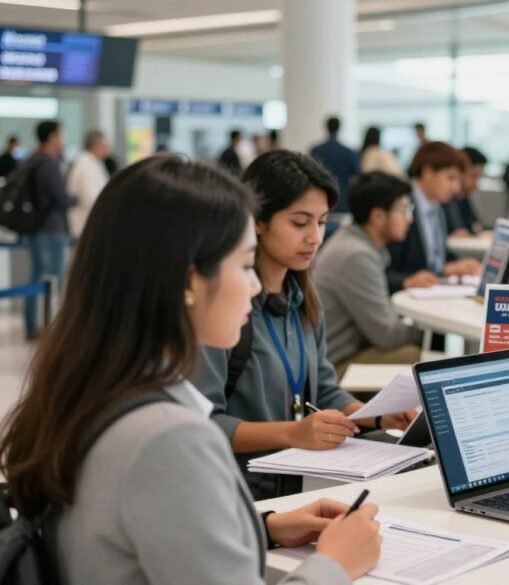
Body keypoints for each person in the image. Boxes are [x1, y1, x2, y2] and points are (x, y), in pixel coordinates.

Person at [0, 156, 382, 584]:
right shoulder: (169, 438)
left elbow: (140, 537)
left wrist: (264, 526)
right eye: (242, 265)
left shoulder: (92, 392)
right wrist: (336, 564)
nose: (254, 284)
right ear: (187, 282)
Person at [192, 150, 415, 501]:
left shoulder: (304, 300)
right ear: (258, 222)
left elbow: (323, 390)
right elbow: (203, 423)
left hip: (298, 483)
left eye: (322, 222)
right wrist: (294, 433)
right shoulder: (223, 311)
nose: (314, 237)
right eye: (300, 222)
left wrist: (374, 416)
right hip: (240, 494)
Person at [315, 172, 423, 376]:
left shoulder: (355, 241)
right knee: (417, 356)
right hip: (335, 366)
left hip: (344, 352)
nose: (410, 219)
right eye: (404, 209)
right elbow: (387, 336)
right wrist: (432, 331)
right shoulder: (356, 256)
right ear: (378, 216)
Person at [385, 141, 481, 293]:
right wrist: (406, 281)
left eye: (458, 180)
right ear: (428, 173)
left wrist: (457, 265)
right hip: (405, 297)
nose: (456, 188)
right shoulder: (400, 206)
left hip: (431, 289)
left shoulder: (437, 207)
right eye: (450, 178)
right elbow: (385, 271)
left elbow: (436, 256)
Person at [21, 121, 77, 340]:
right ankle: (44, 326)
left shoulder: (34, 160)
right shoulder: (49, 164)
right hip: (51, 229)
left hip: (37, 228)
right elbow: (61, 198)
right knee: (49, 279)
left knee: (37, 276)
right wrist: (79, 197)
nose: (63, 138)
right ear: (52, 136)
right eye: (61, 134)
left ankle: (33, 325)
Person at [311, 116, 361, 214]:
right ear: (339, 128)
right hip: (342, 202)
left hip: (320, 201)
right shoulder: (349, 152)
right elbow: (357, 175)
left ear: (326, 127)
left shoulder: (316, 151)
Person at [66, 129, 111, 238]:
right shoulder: (85, 165)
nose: (107, 149)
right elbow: (89, 197)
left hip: (92, 223)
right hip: (85, 224)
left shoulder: (95, 163)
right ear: (94, 146)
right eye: (104, 145)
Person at [444, 146, 486, 236]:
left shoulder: (463, 196)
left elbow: (476, 226)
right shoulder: (445, 198)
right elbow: (459, 231)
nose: (476, 184)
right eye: (474, 177)